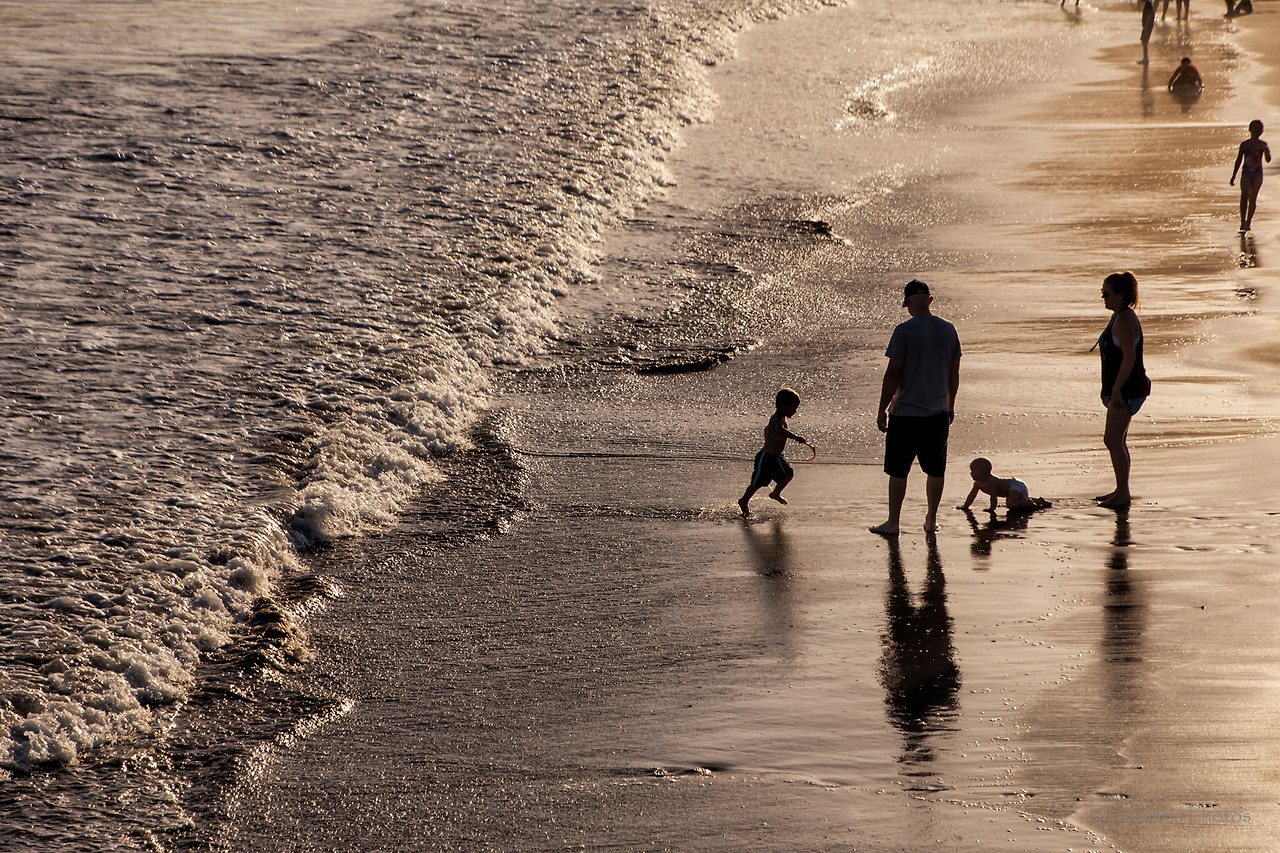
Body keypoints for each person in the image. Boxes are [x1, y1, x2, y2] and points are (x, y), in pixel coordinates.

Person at [870, 280, 962, 535]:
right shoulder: (949, 329)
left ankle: (893, 522)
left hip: (905, 413)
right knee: (936, 470)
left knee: (899, 471)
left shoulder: (904, 330)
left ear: (908, 302)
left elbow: (893, 373)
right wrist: (950, 405)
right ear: (930, 301)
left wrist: (881, 409)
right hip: (937, 413)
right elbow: (954, 372)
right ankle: (931, 520)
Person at [1093, 272, 1150, 509]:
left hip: (1127, 389)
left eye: (1106, 294)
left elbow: (1129, 358)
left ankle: (1123, 494)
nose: (1103, 298)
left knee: (1112, 439)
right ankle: (1121, 489)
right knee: (1118, 440)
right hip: (1124, 388)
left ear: (1120, 295)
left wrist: (1116, 390)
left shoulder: (1125, 319)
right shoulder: (1120, 316)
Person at [739, 387, 808, 515]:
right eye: (793, 408)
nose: (795, 411)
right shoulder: (776, 417)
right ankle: (744, 500)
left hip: (777, 457)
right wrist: (796, 437)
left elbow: (767, 430)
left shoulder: (782, 418)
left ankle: (775, 493)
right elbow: (779, 430)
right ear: (782, 405)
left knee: (788, 474)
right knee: (757, 483)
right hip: (766, 457)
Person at [959, 457, 1052, 513]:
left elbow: (993, 497)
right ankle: (1039, 500)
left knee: (1010, 504)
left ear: (982, 473)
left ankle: (1029, 503)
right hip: (1013, 487)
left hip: (1015, 485)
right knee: (1016, 499)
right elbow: (972, 496)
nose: (971, 473)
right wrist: (965, 506)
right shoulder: (977, 484)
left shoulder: (991, 482)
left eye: (973, 471)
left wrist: (992, 509)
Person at [1229, 119, 1271, 232]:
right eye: (1254, 128)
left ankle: (1248, 222)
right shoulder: (1244, 145)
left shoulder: (1263, 145)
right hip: (1246, 173)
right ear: (1250, 129)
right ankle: (1242, 221)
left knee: (1253, 199)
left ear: (1262, 131)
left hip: (1257, 174)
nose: (1256, 131)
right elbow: (1238, 160)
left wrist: (1267, 152)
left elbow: (1268, 160)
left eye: (1259, 129)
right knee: (1244, 196)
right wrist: (1233, 176)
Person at [1140, 0, 1155, 65]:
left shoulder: (1148, 4)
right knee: (1144, 41)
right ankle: (1145, 58)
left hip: (1148, 26)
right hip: (1148, 25)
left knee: (1144, 42)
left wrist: (1146, 25)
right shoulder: (1148, 4)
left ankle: (1146, 59)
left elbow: (1150, 15)